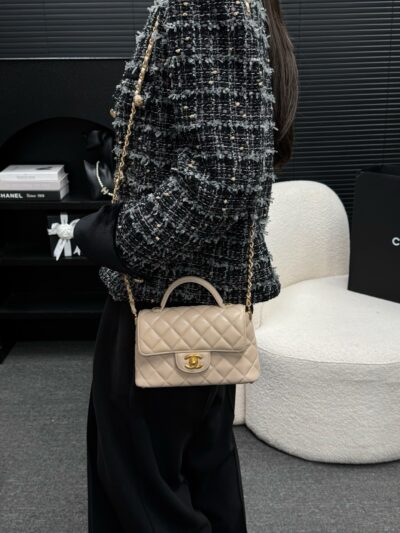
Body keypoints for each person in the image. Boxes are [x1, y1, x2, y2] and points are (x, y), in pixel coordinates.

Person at [73, 0, 298, 531]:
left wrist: (118, 236)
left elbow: (226, 176)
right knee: (201, 478)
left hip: (160, 299)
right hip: (194, 301)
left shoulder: (203, 5)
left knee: (145, 498)